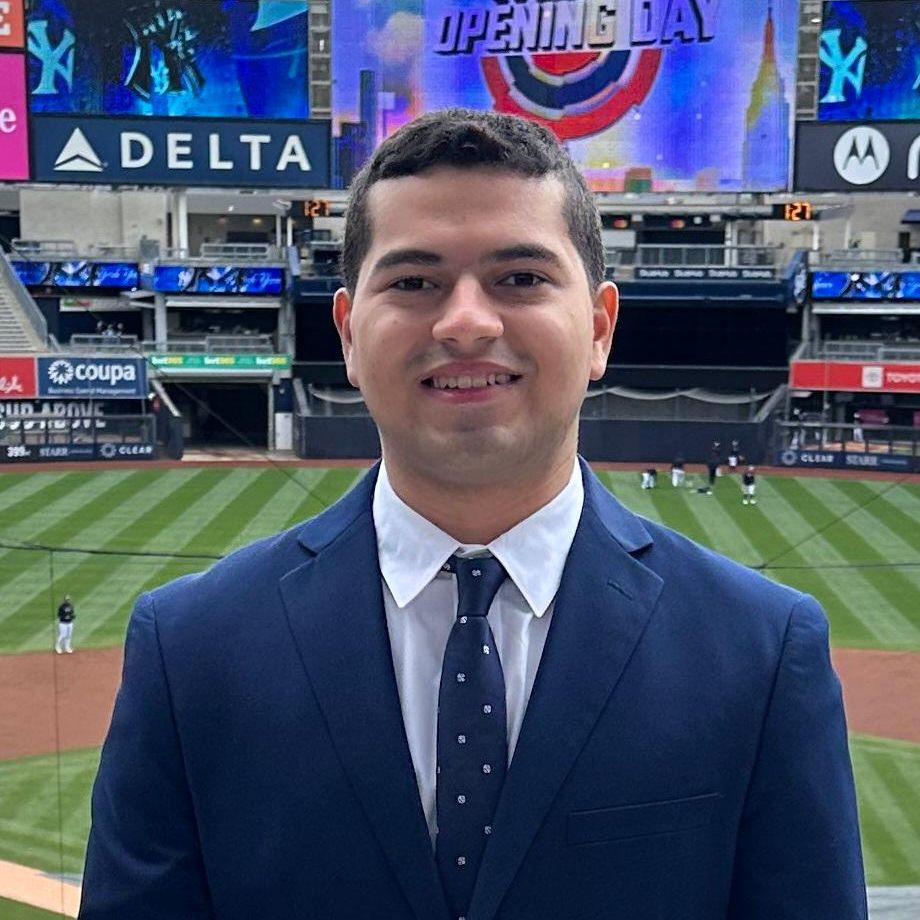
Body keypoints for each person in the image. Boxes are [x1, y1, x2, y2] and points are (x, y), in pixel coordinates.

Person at [80, 109, 866, 920]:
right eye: (414, 282)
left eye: (520, 278)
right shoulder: (190, 649)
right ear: (348, 333)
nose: (464, 322)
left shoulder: (763, 653)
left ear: (599, 328)